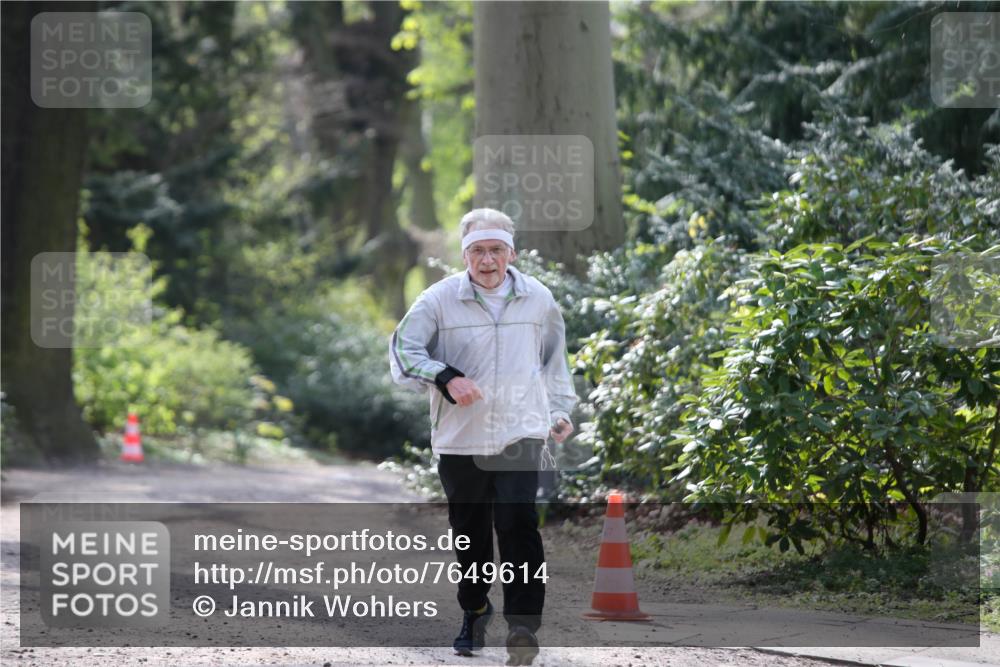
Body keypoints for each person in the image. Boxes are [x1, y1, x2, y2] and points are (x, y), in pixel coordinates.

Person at [389, 208, 578, 665]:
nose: (487, 260)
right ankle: (474, 610)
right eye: (477, 251)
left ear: (511, 253)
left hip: (520, 431)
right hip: (461, 437)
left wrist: (559, 409)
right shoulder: (437, 300)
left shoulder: (538, 298)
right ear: (465, 255)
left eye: (495, 250)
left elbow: (555, 360)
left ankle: (522, 625)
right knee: (470, 534)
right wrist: (445, 376)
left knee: (518, 524)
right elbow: (402, 351)